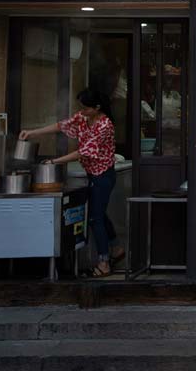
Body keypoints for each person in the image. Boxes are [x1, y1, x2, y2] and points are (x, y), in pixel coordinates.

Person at [20, 87, 123, 277]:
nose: (81, 111)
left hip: (103, 176)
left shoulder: (105, 126)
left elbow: (83, 151)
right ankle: (116, 248)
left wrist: (54, 161)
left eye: (85, 108)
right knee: (98, 213)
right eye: (81, 107)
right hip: (93, 174)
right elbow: (61, 125)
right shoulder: (84, 117)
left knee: (94, 217)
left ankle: (104, 262)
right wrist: (33, 133)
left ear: (97, 108)